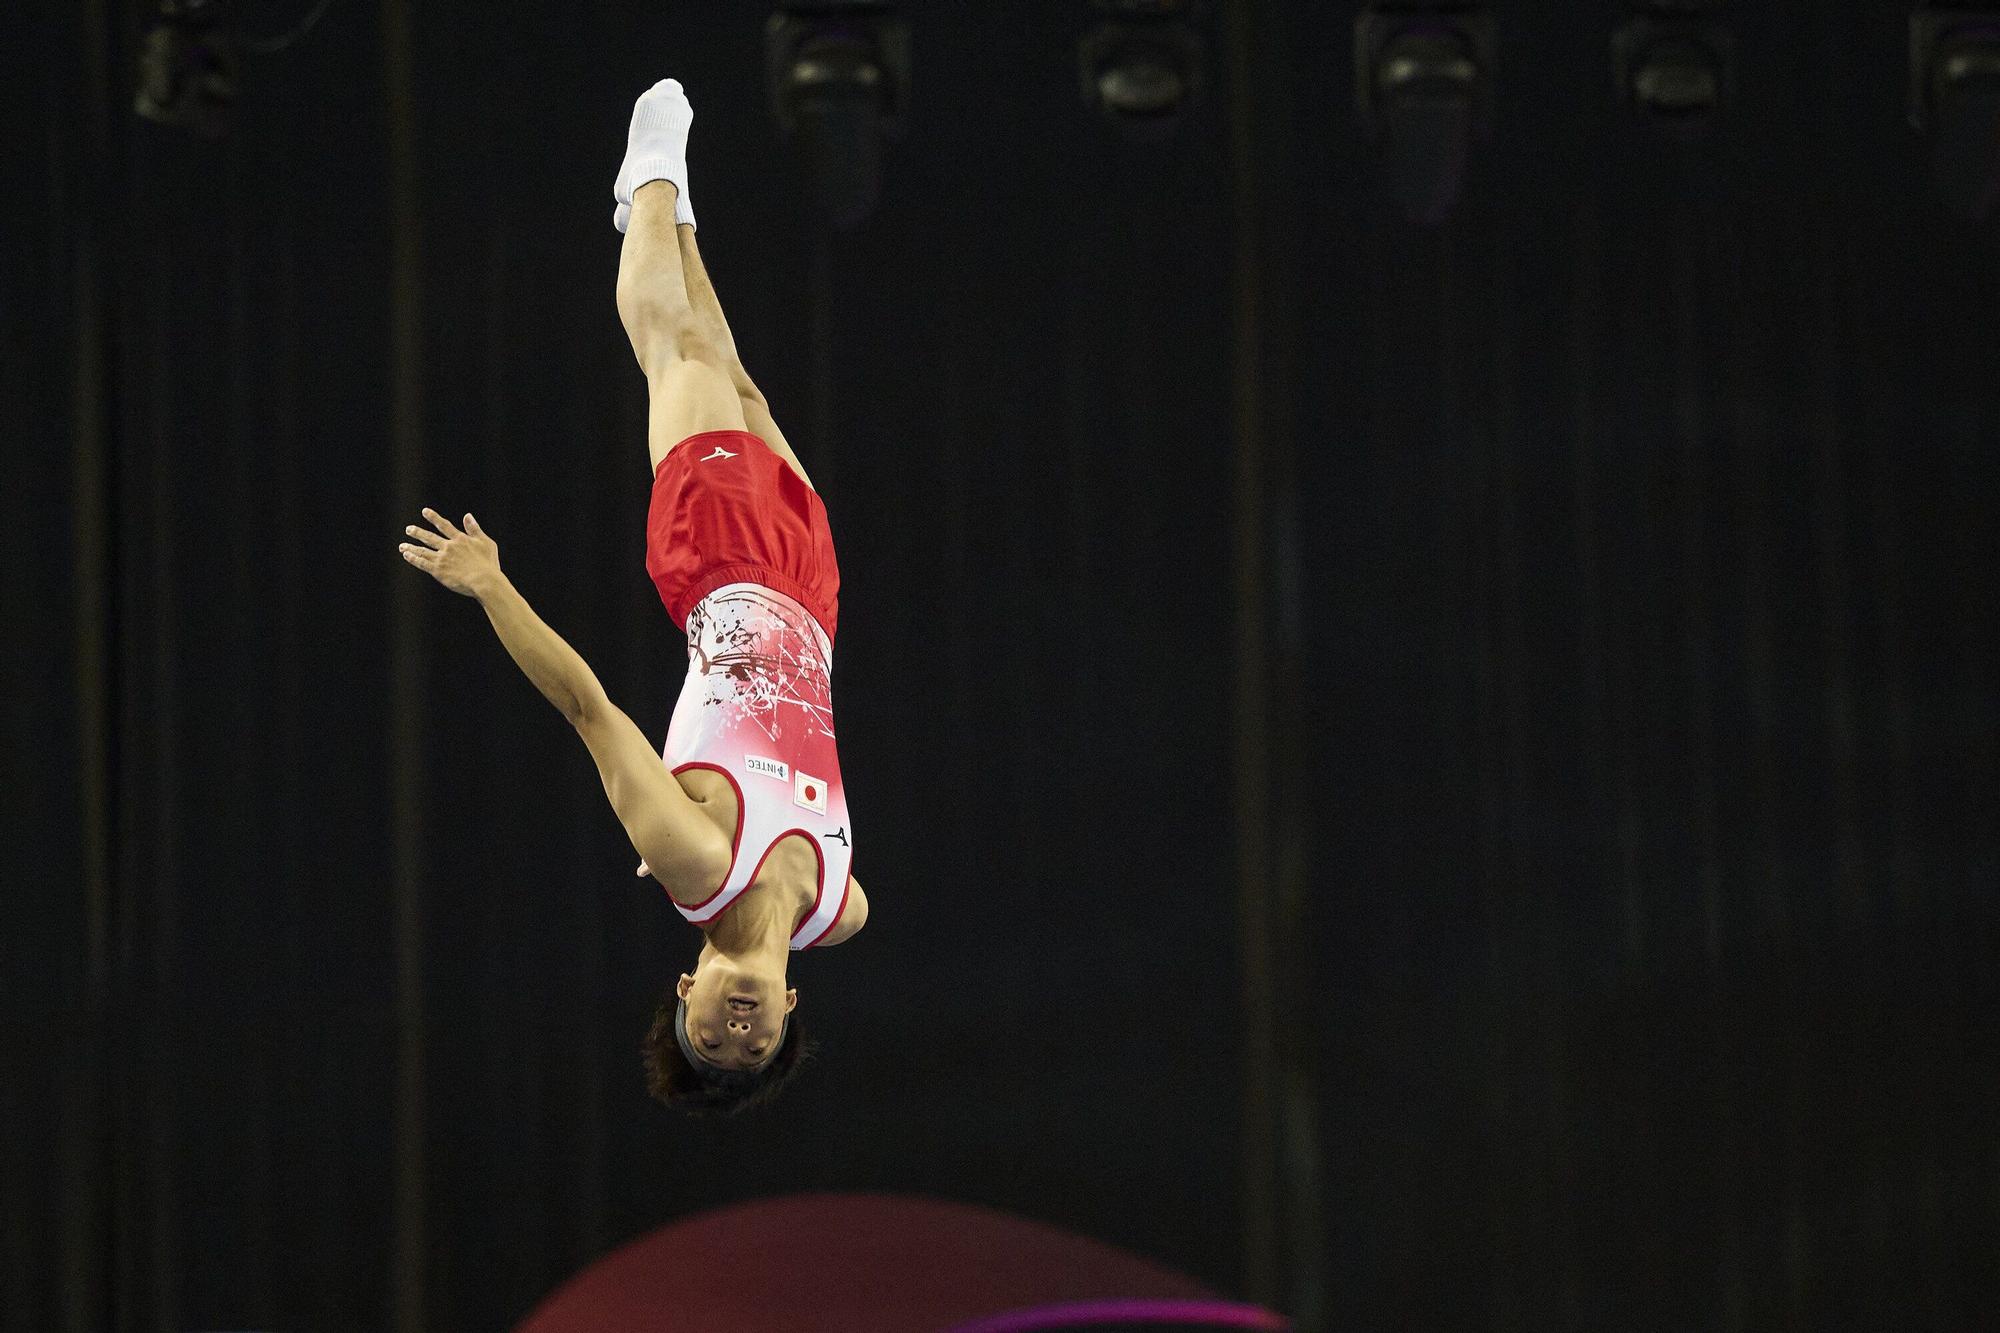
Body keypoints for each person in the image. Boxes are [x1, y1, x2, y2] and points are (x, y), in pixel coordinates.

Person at [398, 77, 866, 1113]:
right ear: (789, 1010)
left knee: (676, 353)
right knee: (738, 380)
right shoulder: (839, 911)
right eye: (753, 1048)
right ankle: (675, 212)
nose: (736, 1032)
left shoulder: (691, 857)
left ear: (686, 988)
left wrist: (493, 587)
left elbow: (588, 707)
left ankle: (648, 173)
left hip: (719, 564)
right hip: (810, 595)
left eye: (708, 1037)